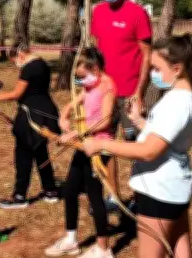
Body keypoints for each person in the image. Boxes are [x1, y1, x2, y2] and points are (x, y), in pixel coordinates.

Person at [82, 34, 192, 258]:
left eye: (157, 68)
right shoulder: (185, 98)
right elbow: (167, 138)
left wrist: (102, 146)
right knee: (181, 248)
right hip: (173, 188)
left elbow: (149, 150)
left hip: (160, 191)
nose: (152, 74)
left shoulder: (177, 102)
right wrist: (140, 121)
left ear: (177, 68)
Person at [44, 47, 116, 258]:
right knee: (69, 191)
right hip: (84, 145)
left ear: (95, 68)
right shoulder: (90, 84)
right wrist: (64, 116)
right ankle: (71, 239)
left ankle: (103, 249)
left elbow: (105, 120)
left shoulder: (108, 86)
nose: (81, 81)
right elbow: (72, 103)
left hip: (98, 148)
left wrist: (75, 133)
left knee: (95, 197)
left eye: (82, 75)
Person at [91, 0, 152, 210]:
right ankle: (113, 197)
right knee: (105, 144)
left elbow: (147, 56)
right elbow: (98, 50)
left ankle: (141, 198)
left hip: (129, 92)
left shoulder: (137, 14)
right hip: (106, 92)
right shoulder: (98, 12)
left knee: (135, 146)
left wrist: (139, 91)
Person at [0, 43, 61, 209]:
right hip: (45, 112)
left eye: (14, 61)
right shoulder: (43, 64)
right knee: (41, 152)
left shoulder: (29, 68)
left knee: (23, 155)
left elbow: (17, 93)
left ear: (20, 55)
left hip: (31, 116)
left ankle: (19, 197)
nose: (15, 65)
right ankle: (50, 191)